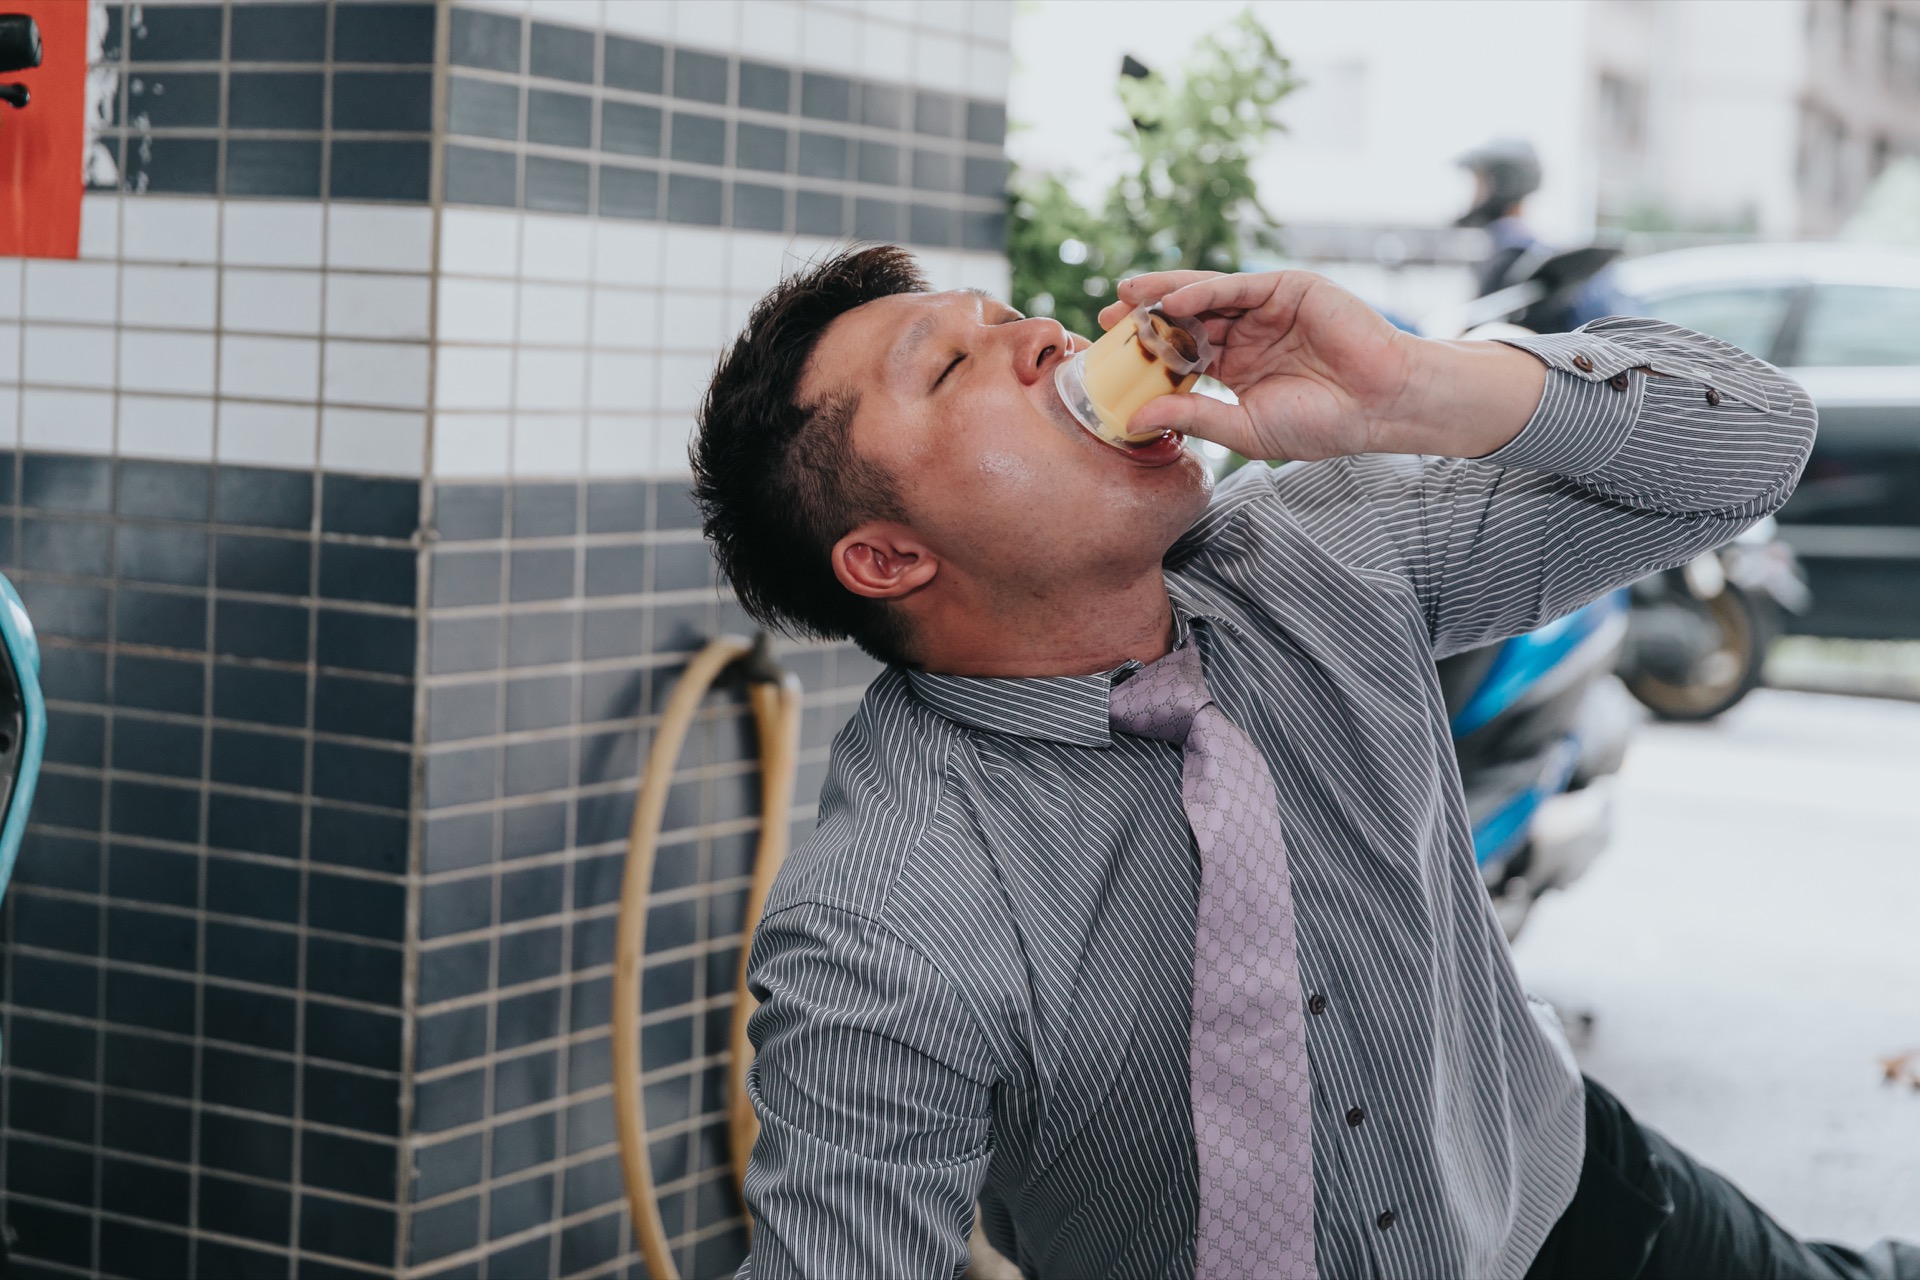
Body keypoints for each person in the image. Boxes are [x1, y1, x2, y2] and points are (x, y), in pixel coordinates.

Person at [691, 244, 1911, 1280]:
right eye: (953, 365)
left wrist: (1414, 385)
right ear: (889, 559)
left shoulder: (1330, 549)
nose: (1044, 337)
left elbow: (1757, 442)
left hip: (1575, 1205)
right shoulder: (886, 916)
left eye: (1015, 318)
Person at [1456, 137, 1638, 334]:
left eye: (1479, 182)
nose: (1472, 193)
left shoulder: (1508, 251)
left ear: (1504, 181)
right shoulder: (1533, 248)